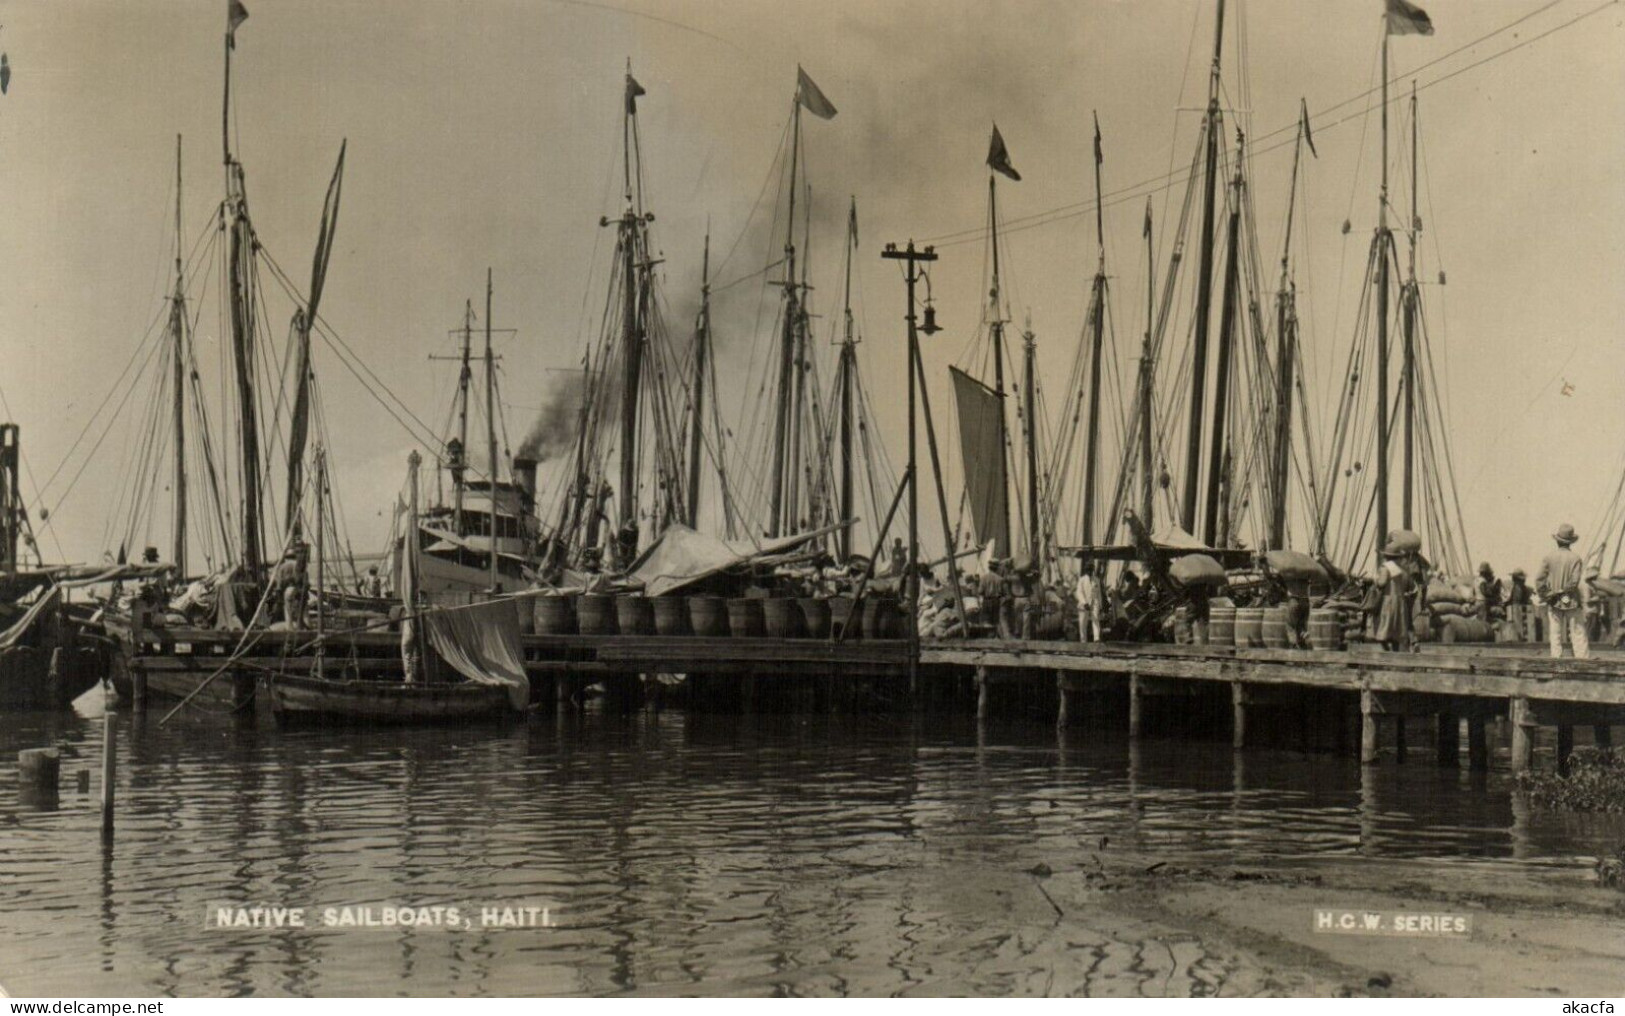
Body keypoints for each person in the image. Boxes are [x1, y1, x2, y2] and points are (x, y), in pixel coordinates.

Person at [1535, 522, 1589, 660]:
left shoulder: (1548, 558)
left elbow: (1539, 580)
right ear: (1570, 542)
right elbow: (1574, 582)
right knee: (1578, 631)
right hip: (1571, 600)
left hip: (1553, 601)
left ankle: (1556, 659)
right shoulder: (1576, 559)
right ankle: (1582, 660)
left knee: (1555, 632)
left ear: (1557, 541)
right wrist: (1563, 591)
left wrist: (1546, 595)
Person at [1372, 539, 1413, 651]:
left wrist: (1376, 580)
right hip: (1400, 602)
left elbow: (1382, 583)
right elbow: (1408, 585)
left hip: (1388, 601)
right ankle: (1395, 656)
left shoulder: (1385, 568)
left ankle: (1386, 651)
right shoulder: (1402, 570)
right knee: (1397, 631)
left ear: (1386, 556)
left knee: (1383, 629)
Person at [1074, 561, 1104, 643]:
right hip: (1084, 604)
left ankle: (1096, 639)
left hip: (1095, 602)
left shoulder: (1096, 580)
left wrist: (1100, 606)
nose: (1090, 571)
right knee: (1083, 623)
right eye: (1088, 570)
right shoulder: (1082, 580)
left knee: (1096, 619)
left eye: (1091, 570)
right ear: (1086, 570)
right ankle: (1083, 641)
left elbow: (1099, 594)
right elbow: (1079, 592)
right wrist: (1084, 603)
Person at [1505, 568, 1533, 641]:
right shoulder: (1522, 588)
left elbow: (1516, 601)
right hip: (1520, 609)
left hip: (1517, 610)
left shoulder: (1518, 588)